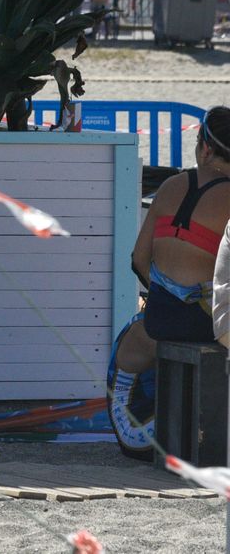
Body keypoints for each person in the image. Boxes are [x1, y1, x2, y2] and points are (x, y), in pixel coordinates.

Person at [111, 108, 230, 437]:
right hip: (212, 324)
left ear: (205, 148)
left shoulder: (171, 186)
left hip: (162, 318)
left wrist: (168, 293)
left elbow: (138, 259)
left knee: (132, 341)